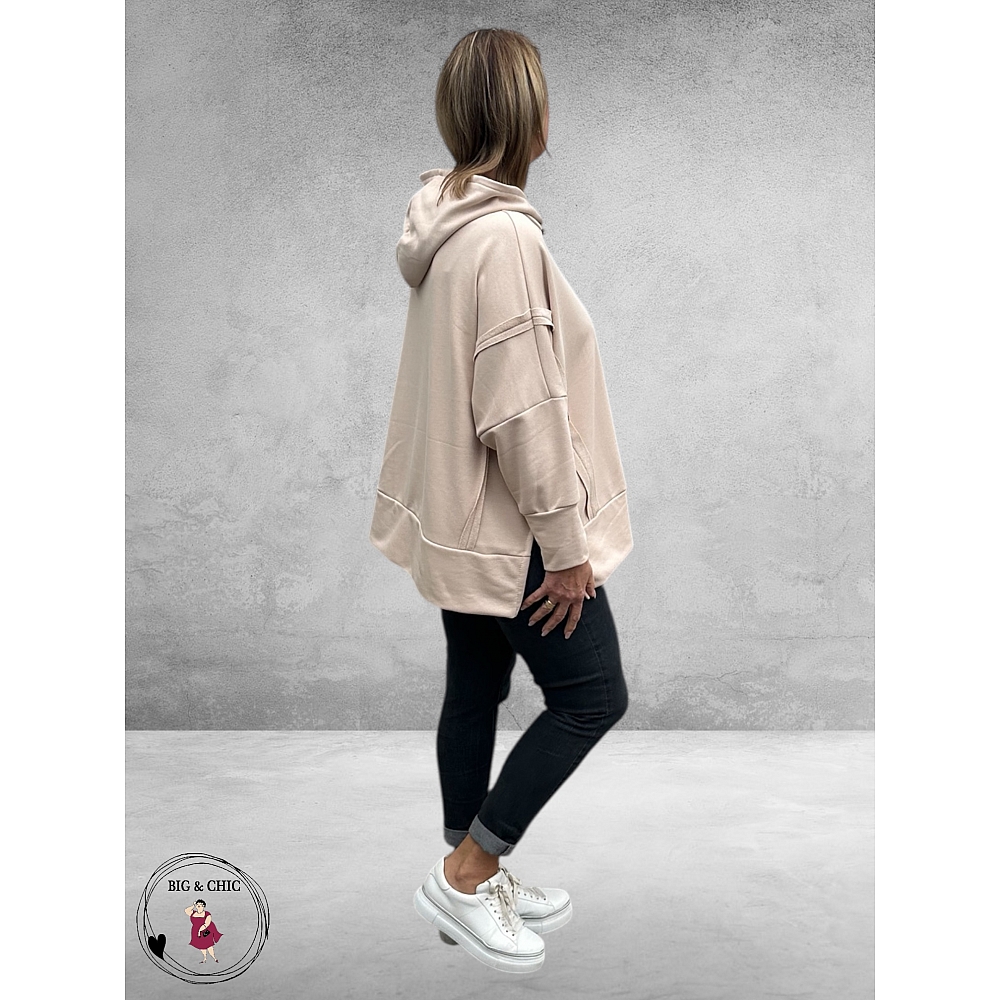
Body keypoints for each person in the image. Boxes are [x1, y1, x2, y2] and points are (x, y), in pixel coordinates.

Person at [369, 28, 633, 974]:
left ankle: (463, 872)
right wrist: (566, 549)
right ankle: (470, 871)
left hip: (461, 517)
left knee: (476, 687)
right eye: (544, 96)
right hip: (515, 524)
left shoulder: (444, 223)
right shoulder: (506, 237)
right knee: (592, 694)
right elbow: (522, 409)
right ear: (529, 116)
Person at [184, 899, 222, 963]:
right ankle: (205, 958)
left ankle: (214, 958)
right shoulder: (193, 913)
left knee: (209, 945)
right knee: (201, 946)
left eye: (201, 904)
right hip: (195, 931)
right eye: (197, 904)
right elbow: (186, 910)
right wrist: (193, 905)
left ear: (203, 906)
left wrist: (200, 930)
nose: (199, 906)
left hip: (206, 931)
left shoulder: (207, 914)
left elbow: (207, 923)